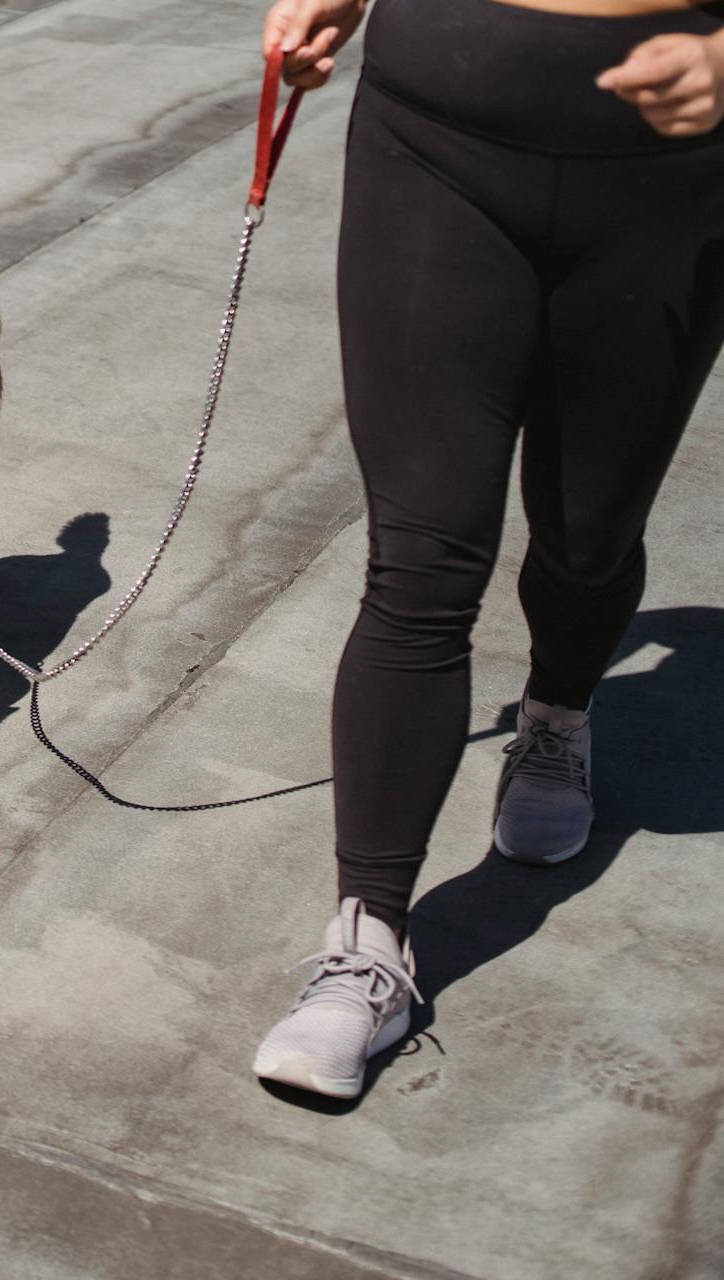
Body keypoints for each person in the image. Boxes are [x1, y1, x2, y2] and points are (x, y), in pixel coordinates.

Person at [249, 0, 724, 1099]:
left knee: (590, 538)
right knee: (421, 559)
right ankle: (366, 943)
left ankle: (557, 714)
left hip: (667, 176)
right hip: (436, 135)